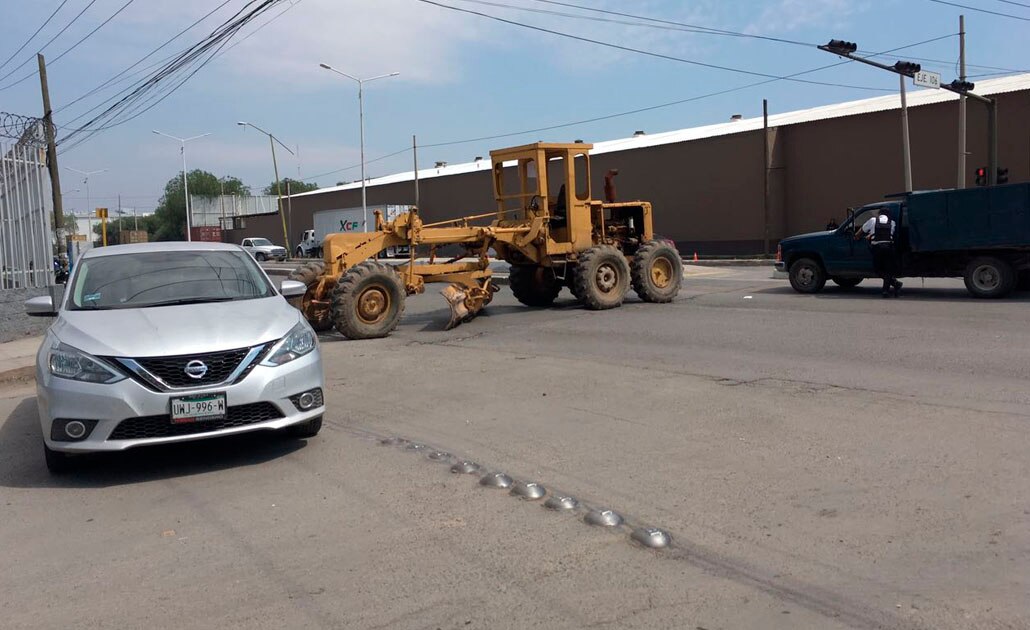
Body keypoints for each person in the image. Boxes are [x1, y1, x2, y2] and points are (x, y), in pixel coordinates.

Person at [861, 209, 902, 298]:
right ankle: (887, 290)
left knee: (877, 270)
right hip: (889, 247)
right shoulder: (892, 223)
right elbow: (890, 233)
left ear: (879, 214)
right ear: (888, 215)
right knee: (888, 270)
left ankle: (894, 284)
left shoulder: (873, 220)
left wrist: (857, 236)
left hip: (877, 248)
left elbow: (863, 229)